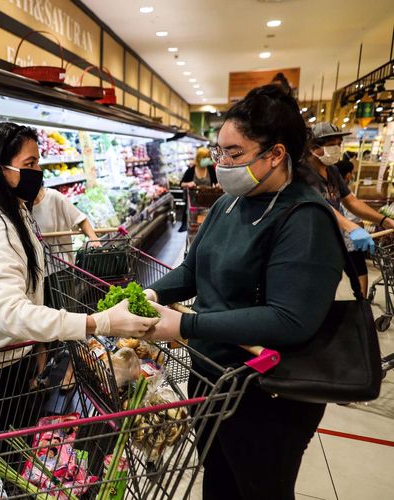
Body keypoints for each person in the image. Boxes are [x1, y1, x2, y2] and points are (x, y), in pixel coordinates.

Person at [142, 85, 345, 500]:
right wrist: (148, 297)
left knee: (258, 488)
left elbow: (289, 319)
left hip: (266, 396)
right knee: (218, 483)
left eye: (234, 154)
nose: (222, 164)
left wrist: (186, 323)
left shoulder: (305, 219)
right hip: (211, 379)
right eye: (219, 152)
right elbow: (192, 272)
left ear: (275, 154)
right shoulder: (228, 205)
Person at [0, 121, 158, 436]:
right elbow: (10, 313)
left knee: (1, 433)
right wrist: (99, 322)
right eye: (29, 164)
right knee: (7, 435)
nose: (38, 171)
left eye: (38, 161)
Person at [307, 122, 394, 294]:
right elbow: (319, 205)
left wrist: (384, 220)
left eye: (338, 144)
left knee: (328, 290)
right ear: (313, 147)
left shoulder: (332, 171)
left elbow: (352, 202)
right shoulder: (302, 172)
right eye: (331, 145)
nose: (337, 149)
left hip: (331, 244)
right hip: (310, 245)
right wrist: (351, 227)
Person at [178, 147, 218, 231]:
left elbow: (216, 182)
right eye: (205, 158)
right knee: (193, 227)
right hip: (193, 206)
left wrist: (218, 185)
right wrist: (188, 184)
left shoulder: (210, 169)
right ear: (199, 158)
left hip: (207, 204)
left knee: (206, 227)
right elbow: (181, 184)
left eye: (208, 157)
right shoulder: (191, 170)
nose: (208, 160)